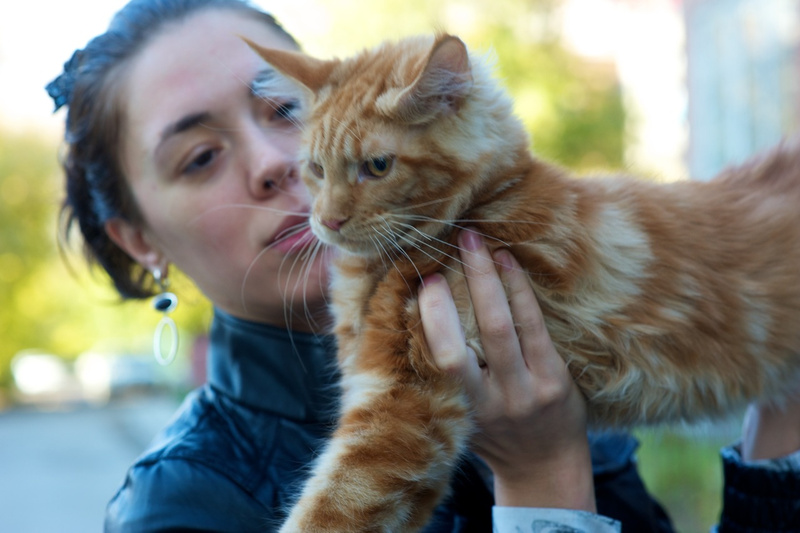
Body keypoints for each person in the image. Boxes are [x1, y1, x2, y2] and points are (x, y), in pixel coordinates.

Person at [46, 0, 798, 531]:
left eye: (282, 112)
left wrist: (783, 411)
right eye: (200, 156)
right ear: (138, 238)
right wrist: (543, 480)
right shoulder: (180, 506)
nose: (278, 166)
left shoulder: (503, 311)